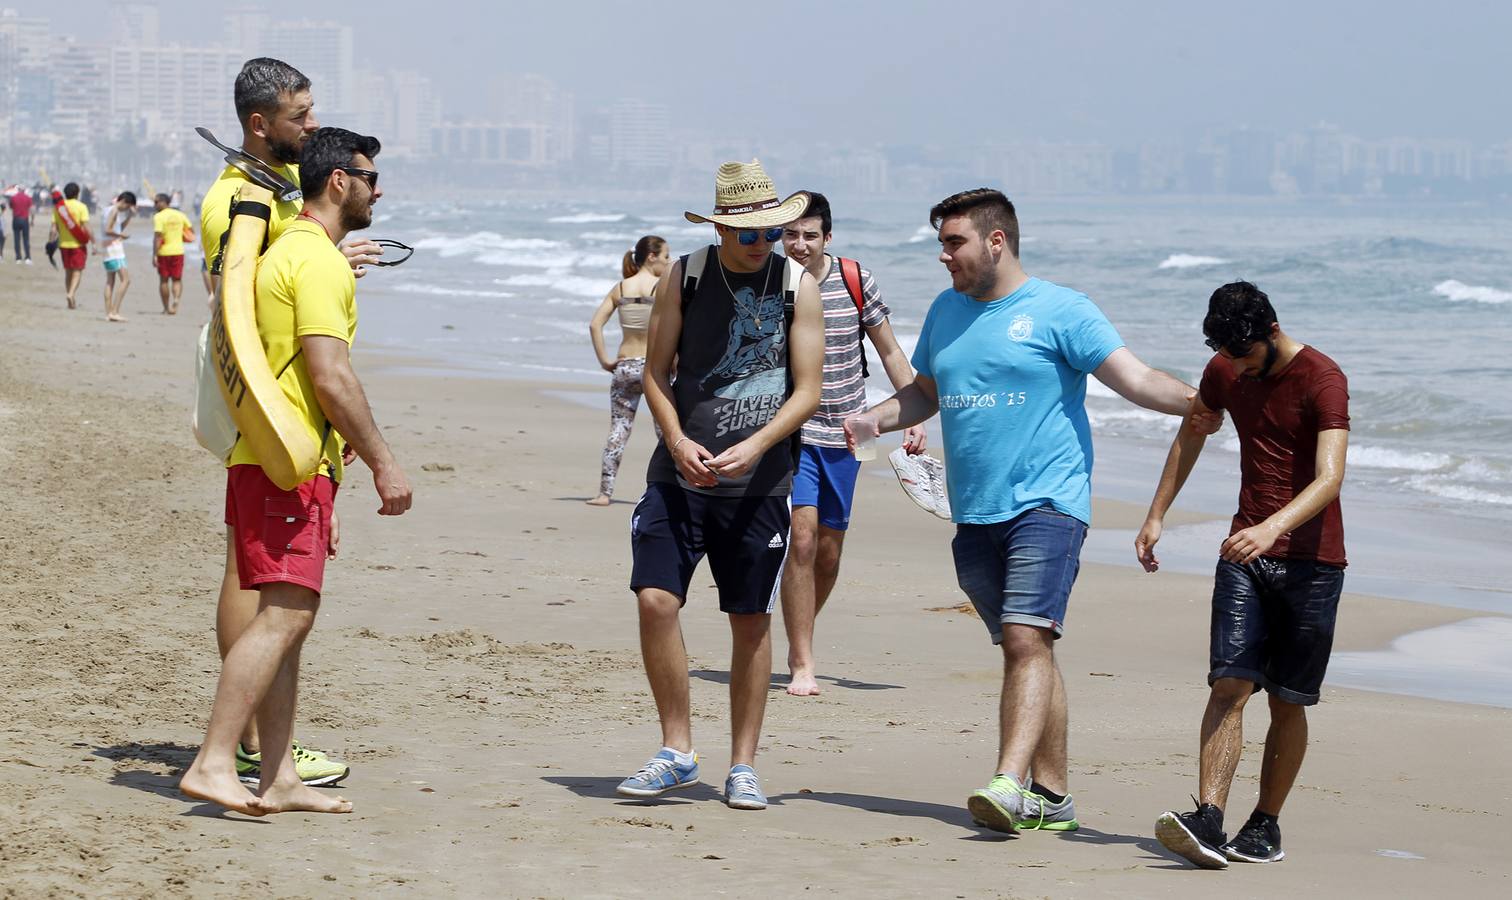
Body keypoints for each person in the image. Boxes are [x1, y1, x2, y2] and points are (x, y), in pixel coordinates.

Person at [846, 188, 1215, 834]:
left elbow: (1134, 378)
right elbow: (927, 392)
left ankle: (1009, 783)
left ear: (997, 242)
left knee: (1025, 638)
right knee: (1031, 646)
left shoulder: (1062, 311)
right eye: (941, 243)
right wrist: (870, 421)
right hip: (973, 516)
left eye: (954, 242)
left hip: (1048, 505)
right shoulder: (945, 312)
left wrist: (1201, 400)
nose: (943, 256)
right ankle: (1054, 795)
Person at [178, 127, 411, 816]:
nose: (378, 189)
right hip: (285, 467)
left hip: (279, 461)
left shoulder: (298, 253)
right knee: (285, 614)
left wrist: (333, 477)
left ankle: (277, 775)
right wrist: (383, 463)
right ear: (339, 181)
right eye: (371, 177)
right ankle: (215, 761)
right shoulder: (317, 262)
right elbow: (330, 377)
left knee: (291, 617)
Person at [617, 160, 823, 811]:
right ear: (721, 226)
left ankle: (743, 765)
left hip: (760, 486)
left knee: (749, 623)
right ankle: (676, 750)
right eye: (753, 234)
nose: (765, 243)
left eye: (772, 232)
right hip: (678, 477)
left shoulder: (797, 285)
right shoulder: (688, 275)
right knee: (655, 600)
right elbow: (653, 372)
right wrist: (676, 440)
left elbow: (808, 389)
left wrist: (758, 445)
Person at [1138, 282, 1349, 869]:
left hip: (1313, 564)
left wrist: (1272, 528)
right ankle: (1207, 816)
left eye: (1243, 355)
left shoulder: (1323, 378)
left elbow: (1330, 478)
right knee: (1229, 685)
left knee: (1286, 701)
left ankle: (1265, 824)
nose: (1234, 368)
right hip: (1244, 558)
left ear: (1272, 333)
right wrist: (1156, 514)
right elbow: (1193, 430)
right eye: (1226, 356)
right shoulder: (1226, 367)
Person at [775, 191, 926, 696]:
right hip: (791, 430)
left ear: (827, 238)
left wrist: (912, 411)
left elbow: (888, 349)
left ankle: (800, 624)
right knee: (802, 538)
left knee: (830, 551)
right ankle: (802, 660)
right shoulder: (770, 284)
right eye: (790, 235)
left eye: (809, 235)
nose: (799, 245)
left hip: (854, 430)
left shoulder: (856, 280)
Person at [586, 234, 669, 506]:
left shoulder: (621, 288)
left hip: (624, 366)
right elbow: (675, 329)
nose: (668, 262)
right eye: (666, 256)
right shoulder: (662, 287)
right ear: (652, 256)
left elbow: (595, 324)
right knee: (666, 433)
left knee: (618, 430)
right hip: (655, 369)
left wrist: (604, 360)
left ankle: (603, 494)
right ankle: (667, 491)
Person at [49, 182, 94, 308]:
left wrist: (50, 243)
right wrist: (93, 242)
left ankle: (70, 297)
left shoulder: (58, 208)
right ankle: (71, 294)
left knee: (68, 272)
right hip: (78, 244)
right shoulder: (81, 207)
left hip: (63, 245)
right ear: (77, 194)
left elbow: (53, 229)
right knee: (77, 271)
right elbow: (86, 227)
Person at [152, 193, 193, 314]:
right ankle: (176, 299)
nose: (154, 205)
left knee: (164, 281)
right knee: (177, 279)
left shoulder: (158, 217)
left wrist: (154, 254)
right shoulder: (180, 215)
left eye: (156, 202)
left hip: (164, 252)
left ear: (164, 202)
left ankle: (166, 308)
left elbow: (158, 237)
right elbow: (190, 230)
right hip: (178, 251)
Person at [101, 192, 137, 322]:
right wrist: (122, 236)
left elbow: (117, 226)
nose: (126, 210)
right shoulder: (115, 210)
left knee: (110, 281)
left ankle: (109, 312)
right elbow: (108, 230)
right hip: (114, 249)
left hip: (106, 248)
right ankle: (114, 311)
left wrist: (129, 217)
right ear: (124, 202)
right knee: (125, 280)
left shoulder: (107, 209)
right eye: (127, 207)